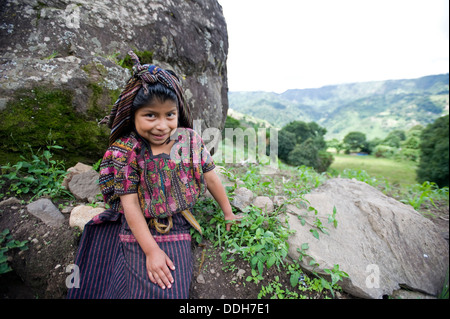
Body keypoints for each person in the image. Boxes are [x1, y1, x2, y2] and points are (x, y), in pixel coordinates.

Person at [67, 51, 239, 299]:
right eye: (150, 115)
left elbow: (210, 176)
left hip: (177, 223)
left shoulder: (188, 140)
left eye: (169, 114)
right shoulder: (127, 151)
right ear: (132, 115)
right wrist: (151, 252)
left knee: (170, 290)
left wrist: (228, 213)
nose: (162, 125)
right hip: (139, 225)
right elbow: (131, 205)